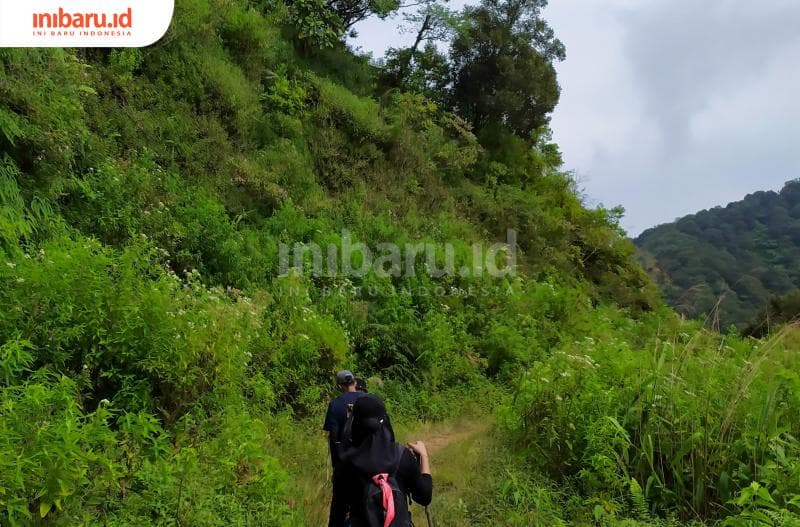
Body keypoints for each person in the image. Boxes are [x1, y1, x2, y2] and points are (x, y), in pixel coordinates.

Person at [338, 394, 432, 527]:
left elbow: (337, 512)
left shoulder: (346, 463)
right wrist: (423, 456)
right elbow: (424, 497)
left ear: (355, 423)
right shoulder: (401, 455)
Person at [324, 370, 365, 527]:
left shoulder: (335, 404)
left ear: (340, 386)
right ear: (355, 382)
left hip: (344, 466)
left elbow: (334, 438)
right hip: (367, 465)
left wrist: (337, 466)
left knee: (339, 509)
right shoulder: (369, 400)